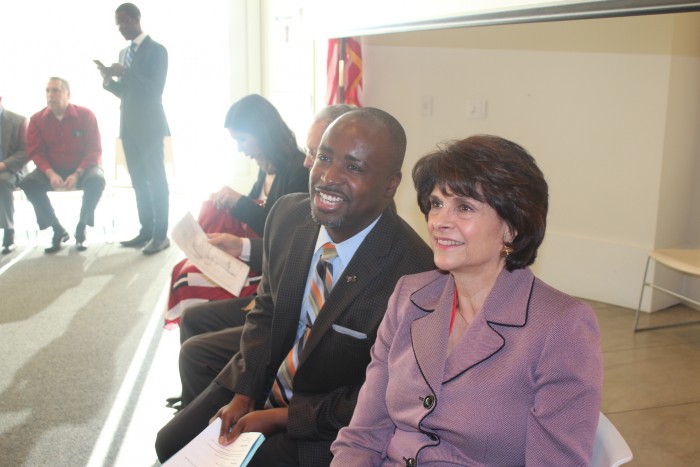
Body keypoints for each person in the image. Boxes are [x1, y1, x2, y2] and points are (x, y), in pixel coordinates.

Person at [154, 107, 435, 465]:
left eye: (353, 167)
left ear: (391, 185)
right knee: (169, 445)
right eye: (324, 157)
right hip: (263, 385)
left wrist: (277, 419)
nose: (328, 177)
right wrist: (244, 393)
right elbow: (266, 313)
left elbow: (378, 396)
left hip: (326, 423)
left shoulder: (416, 274)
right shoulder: (288, 216)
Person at [330, 135, 603, 466]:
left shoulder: (561, 326)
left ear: (513, 227)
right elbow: (363, 435)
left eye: (464, 207)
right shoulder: (410, 297)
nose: (440, 221)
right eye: (436, 204)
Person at [166, 102, 356, 329]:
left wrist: (240, 211)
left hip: (269, 269)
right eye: (310, 153)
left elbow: (283, 234)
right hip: (264, 258)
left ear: (262, 133)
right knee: (185, 278)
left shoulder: (298, 173)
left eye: (316, 154)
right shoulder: (267, 165)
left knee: (186, 280)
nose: (308, 162)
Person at [98, 2, 170, 255]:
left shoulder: (157, 50)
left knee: (156, 180)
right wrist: (109, 81)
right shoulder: (122, 53)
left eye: (124, 22)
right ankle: (146, 231)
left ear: (137, 19)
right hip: (128, 127)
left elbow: (154, 90)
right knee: (138, 181)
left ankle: (161, 235)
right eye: (117, 24)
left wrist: (125, 72)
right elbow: (127, 94)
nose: (120, 28)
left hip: (150, 127)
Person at [21, 77, 105, 254]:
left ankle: (82, 227)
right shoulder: (37, 119)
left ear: (68, 94)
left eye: (56, 90)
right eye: (48, 91)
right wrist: (50, 173)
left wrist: (77, 173)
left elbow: (94, 150)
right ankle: (56, 229)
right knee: (28, 182)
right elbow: (36, 152)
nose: (51, 95)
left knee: (97, 179)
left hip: (83, 168)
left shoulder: (86, 115)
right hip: (53, 169)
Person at [0, 97, 28, 254]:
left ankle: (8, 231)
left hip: (12, 168)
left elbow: (25, 152)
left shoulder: (18, 121)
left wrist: (3, 165)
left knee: (1, 181)